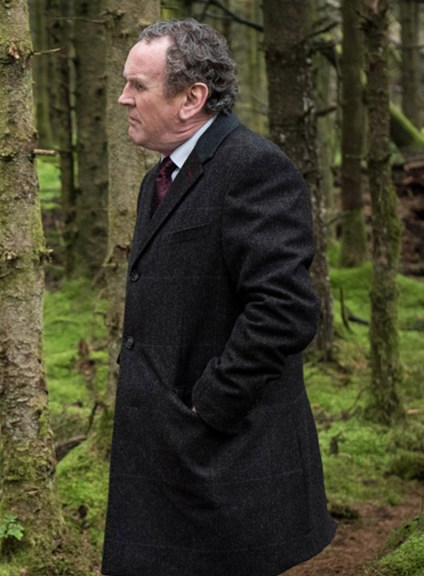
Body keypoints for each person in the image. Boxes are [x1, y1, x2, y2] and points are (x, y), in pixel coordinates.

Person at [102, 19, 336, 575]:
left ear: (192, 98)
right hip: (167, 445)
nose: (123, 98)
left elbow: (285, 309)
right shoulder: (158, 178)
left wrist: (211, 402)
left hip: (225, 452)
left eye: (138, 85)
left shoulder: (252, 166)